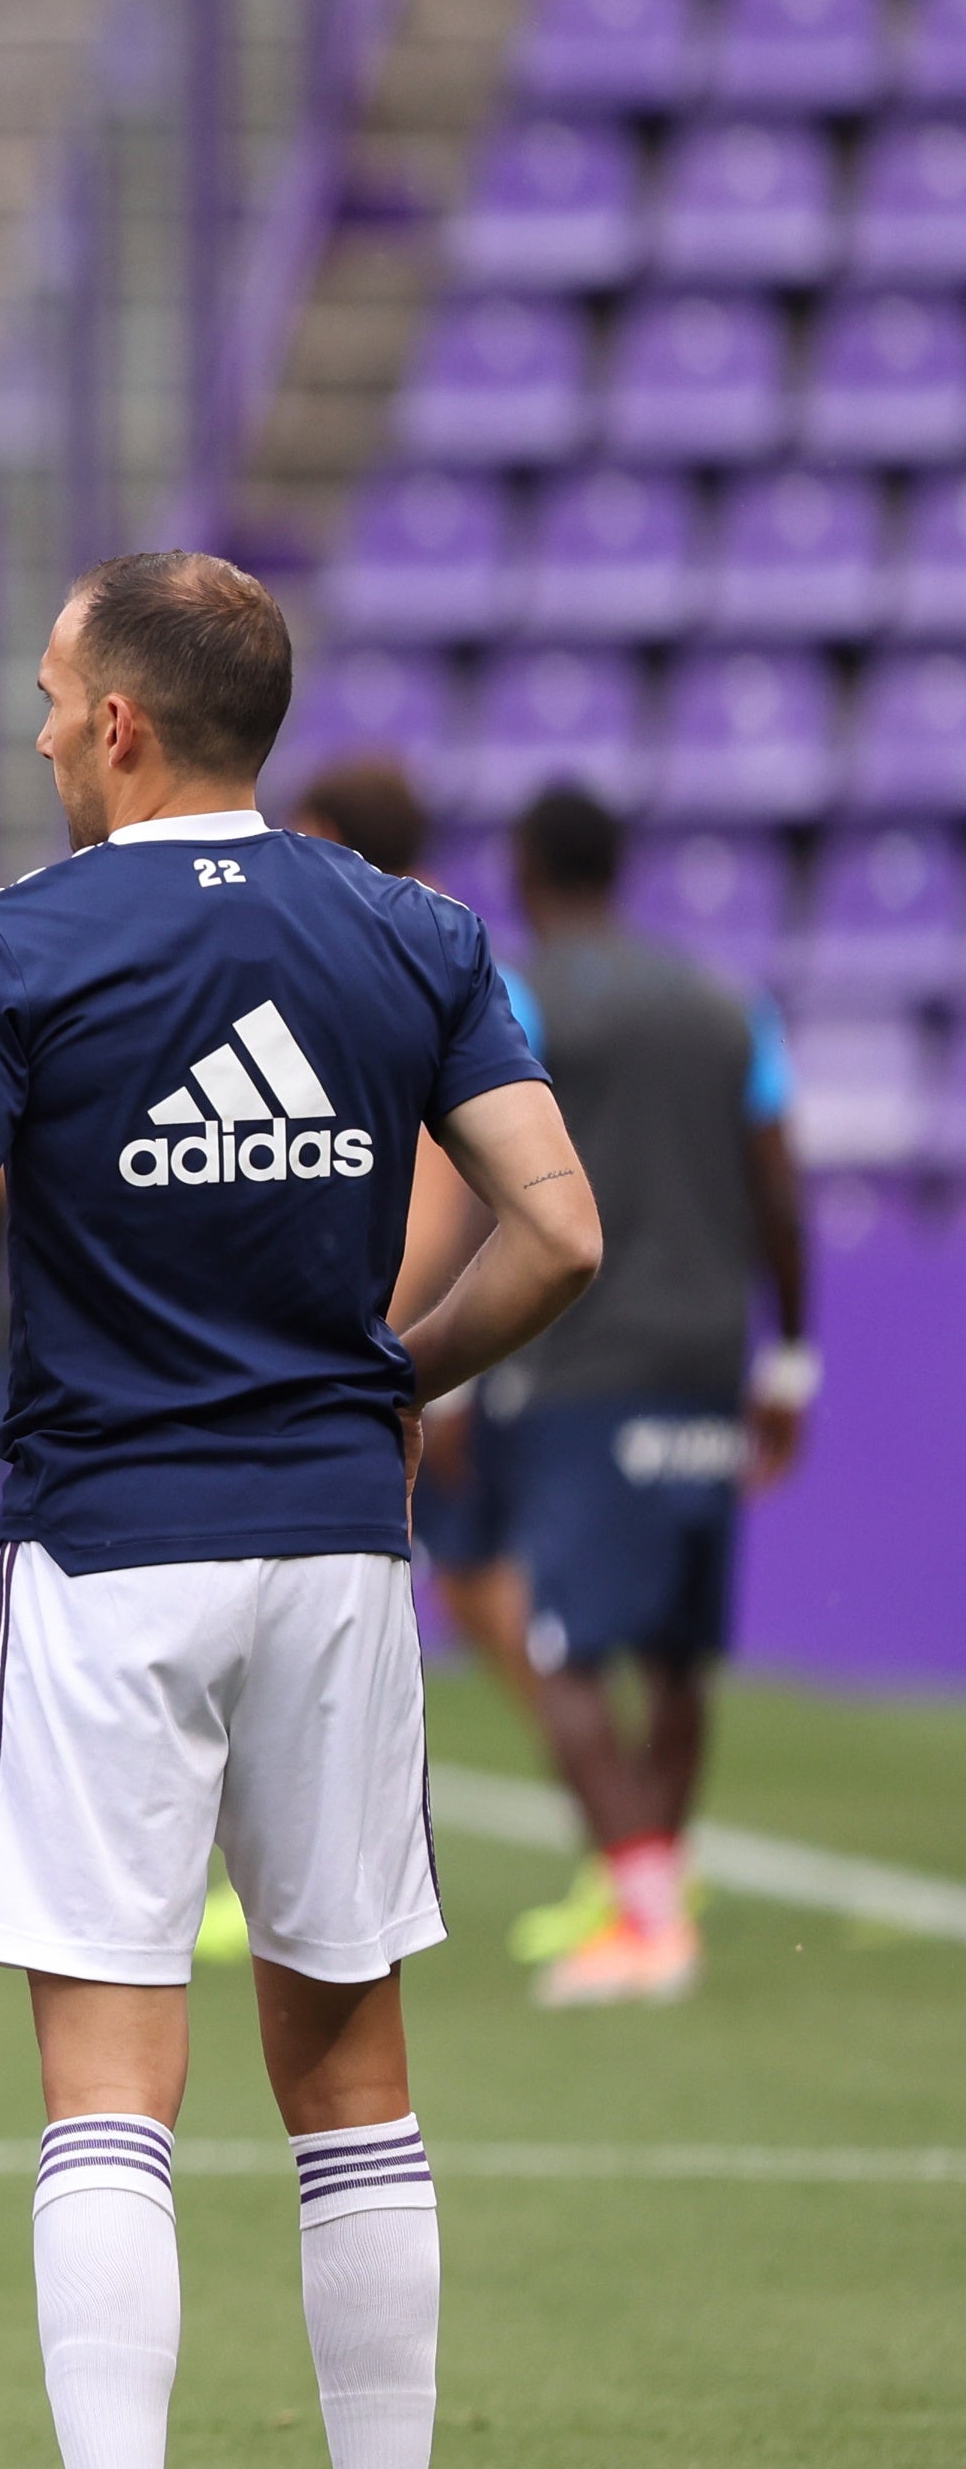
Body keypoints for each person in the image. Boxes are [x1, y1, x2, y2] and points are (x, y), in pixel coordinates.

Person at [0, 552, 602, 2469]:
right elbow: (557, 1228)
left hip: (106, 1548)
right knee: (348, 2069)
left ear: (126, 729)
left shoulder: (10, 946)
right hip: (337, 1554)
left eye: (55, 691)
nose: (40, 725)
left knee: (108, 2086)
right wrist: (395, 1375)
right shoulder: (411, 932)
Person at [485, 784, 813, 2012]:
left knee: (563, 1650)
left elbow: (486, 1179)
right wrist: (793, 1357)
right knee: (679, 1656)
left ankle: (646, 1913)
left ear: (526, 868)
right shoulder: (736, 1008)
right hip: (710, 1357)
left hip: (585, 1360)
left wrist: (450, 1374)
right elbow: (781, 1193)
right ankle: (653, 1891)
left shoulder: (519, 996)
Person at [292, 758, 535, 1732]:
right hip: (465, 1318)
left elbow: (445, 1208)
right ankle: (631, 1838)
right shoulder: (456, 952)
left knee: (357, 1592)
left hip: (431, 1328)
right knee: (463, 1582)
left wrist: (369, 1356)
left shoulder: (416, 961)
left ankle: (630, 1834)